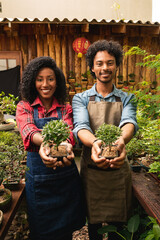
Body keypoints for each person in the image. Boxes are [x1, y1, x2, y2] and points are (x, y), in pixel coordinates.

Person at [72, 40, 138, 240]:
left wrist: (120, 142)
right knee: (94, 226)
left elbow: (129, 123)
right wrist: (94, 143)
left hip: (118, 170)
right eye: (99, 63)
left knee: (118, 226)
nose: (105, 68)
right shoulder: (81, 98)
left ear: (117, 65)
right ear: (92, 67)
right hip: (93, 171)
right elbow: (81, 126)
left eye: (110, 63)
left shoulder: (127, 98)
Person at [16, 56, 85, 240]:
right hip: (39, 183)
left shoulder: (66, 108)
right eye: (40, 79)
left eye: (50, 78)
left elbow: (70, 132)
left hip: (65, 181)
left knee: (66, 232)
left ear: (58, 81)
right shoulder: (25, 107)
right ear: (32, 81)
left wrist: (66, 145)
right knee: (41, 232)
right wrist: (45, 143)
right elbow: (28, 130)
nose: (45, 84)